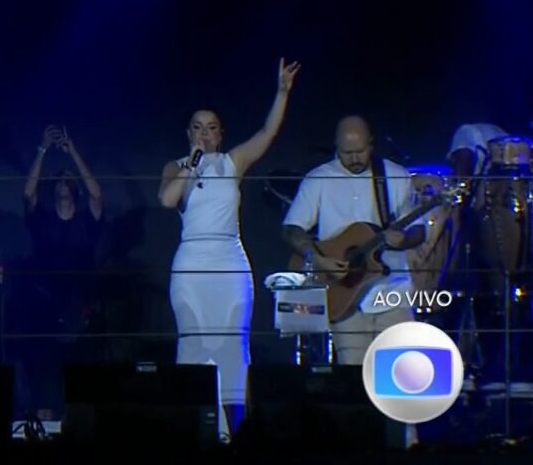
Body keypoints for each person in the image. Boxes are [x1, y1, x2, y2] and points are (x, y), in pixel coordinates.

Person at [160, 58, 299, 438]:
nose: (205, 134)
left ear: (221, 134)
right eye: (197, 128)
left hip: (229, 260)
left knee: (232, 347)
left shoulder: (232, 162)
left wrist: (282, 92)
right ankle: (196, 429)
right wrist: (191, 162)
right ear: (188, 132)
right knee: (193, 343)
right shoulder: (175, 166)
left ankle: (235, 432)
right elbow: (168, 200)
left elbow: (268, 133)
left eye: (211, 128)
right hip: (191, 261)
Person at [282, 116, 424, 362]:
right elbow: (291, 229)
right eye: (347, 153)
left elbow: (419, 231)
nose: (355, 159)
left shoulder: (396, 176)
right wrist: (316, 259)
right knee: (353, 381)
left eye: (360, 151)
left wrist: (403, 240)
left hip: (391, 293)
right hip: (345, 298)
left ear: (371, 144)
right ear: (336, 147)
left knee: (398, 377)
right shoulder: (319, 179)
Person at [21, 126, 102, 416]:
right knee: (44, 369)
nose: (64, 183)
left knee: (80, 371)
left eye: (69, 181)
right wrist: (42, 150)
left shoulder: (85, 220)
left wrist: (73, 153)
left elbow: (96, 193)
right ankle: (45, 413)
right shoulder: (42, 219)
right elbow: (28, 193)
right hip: (45, 305)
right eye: (60, 180)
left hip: (80, 307)